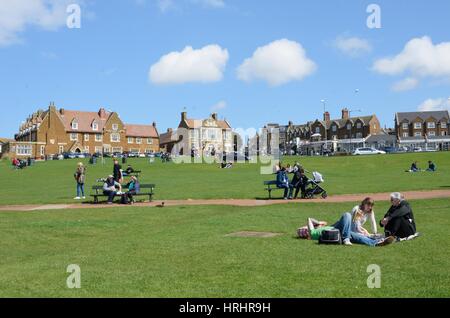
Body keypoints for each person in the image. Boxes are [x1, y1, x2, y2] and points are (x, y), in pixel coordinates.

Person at [297, 213, 395, 247]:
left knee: (356, 237)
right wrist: (309, 226)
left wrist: (319, 224)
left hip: (336, 229)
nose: (305, 229)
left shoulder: (319, 229)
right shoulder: (313, 233)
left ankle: (376, 242)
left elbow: (325, 222)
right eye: (305, 229)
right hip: (335, 232)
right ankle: (346, 239)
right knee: (347, 215)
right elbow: (309, 219)